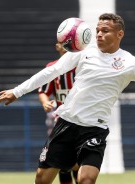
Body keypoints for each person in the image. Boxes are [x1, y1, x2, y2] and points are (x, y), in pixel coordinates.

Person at [0, 13, 135, 184]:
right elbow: (51, 72)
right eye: (97, 31)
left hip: (95, 129)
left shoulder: (131, 63)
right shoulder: (84, 51)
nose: (99, 34)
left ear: (120, 34)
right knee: (42, 180)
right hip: (66, 123)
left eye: (105, 31)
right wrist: (17, 91)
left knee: (86, 180)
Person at [38, 42, 78, 184]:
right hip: (60, 120)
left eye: (69, 41)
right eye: (63, 42)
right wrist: (45, 102)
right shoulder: (52, 67)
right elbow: (43, 90)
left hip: (81, 119)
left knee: (77, 163)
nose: (66, 45)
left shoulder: (81, 66)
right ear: (57, 46)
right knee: (62, 163)